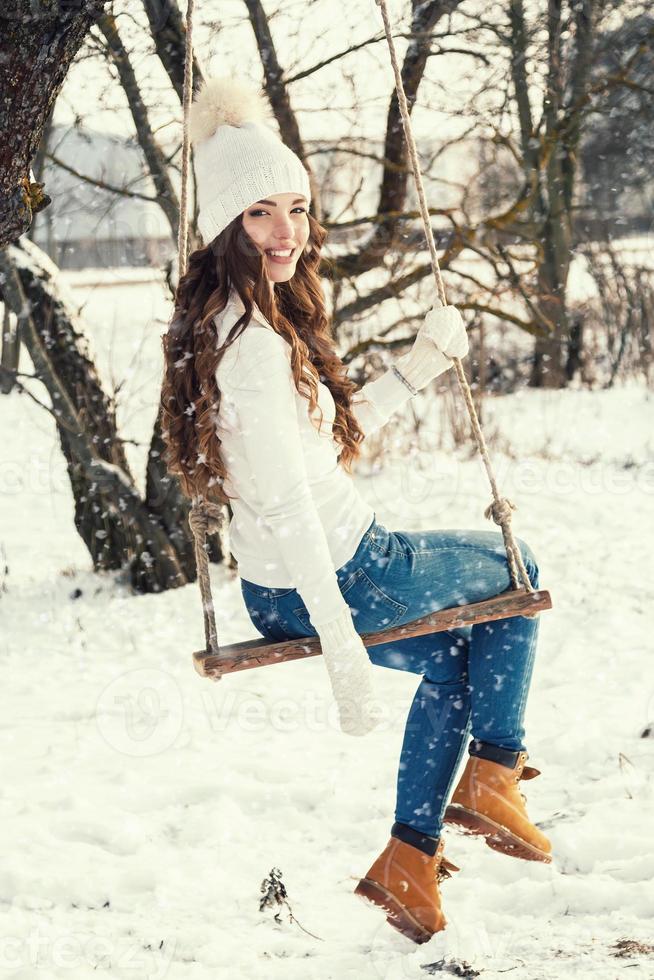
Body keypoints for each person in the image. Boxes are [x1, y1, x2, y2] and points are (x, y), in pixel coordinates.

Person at [160, 77, 551, 946]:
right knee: (521, 574)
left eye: (295, 207)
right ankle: (491, 777)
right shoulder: (254, 349)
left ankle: (407, 864)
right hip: (341, 569)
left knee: (456, 662)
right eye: (260, 213)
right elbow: (294, 503)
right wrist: (340, 648)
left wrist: (416, 367)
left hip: (286, 583)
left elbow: (317, 448)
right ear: (226, 224)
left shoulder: (238, 324)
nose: (286, 231)